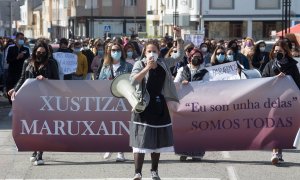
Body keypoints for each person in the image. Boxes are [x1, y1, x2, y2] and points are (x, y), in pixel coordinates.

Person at [129, 26, 183, 180]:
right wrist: (147, 67)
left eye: (154, 51)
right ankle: (137, 172)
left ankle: (154, 171)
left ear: (159, 52)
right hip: (143, 105)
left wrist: (178, 38)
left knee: (157, 141)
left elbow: (179, 56)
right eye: (149, 51)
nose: (152, 53)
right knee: (140, 140)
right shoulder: (139, 64)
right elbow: (133, 80)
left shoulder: (163, 63)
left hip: (159, 105)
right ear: (144, 53)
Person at [8, 41, 59, 165]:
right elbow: (22, 78)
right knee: (32, 126)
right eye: (38, 52)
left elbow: (57, 81)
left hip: (46, 100)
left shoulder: (51, 63)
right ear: (35, 51)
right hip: (30, 99)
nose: (40, 54)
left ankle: (40, 154)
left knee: (42, 127)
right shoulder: (27, 62)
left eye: (43, 52)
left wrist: (46, 79)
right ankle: (35, 150)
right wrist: (15, 89)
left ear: (47, 53)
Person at [262, 40, 300, 165]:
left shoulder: (292, 66)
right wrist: (274, 79)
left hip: (287, 102)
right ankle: (276, 152)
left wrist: (287, 79)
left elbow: (297, 84)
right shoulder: (269, 65)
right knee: (275, 125)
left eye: (280, 51)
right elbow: (262, 81)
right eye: (276, 51)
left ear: (285, 52)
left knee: (282, 127)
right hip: (272, 100)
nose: (277, 53)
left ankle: (278, 151)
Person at [98, 42, 133, 162]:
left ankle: (120, 152)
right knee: (109, 125)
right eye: (113, 50)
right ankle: (110, 147)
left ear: (121, 52)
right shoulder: (106, 66)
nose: (115, 52)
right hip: (109, 100)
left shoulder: (128, 66)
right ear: (109, 52)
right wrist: (106, 82)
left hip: (123, 99)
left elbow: (133, 81)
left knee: (122, 126)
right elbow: (99, 81)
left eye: (118, 50)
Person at [5, 32, 30, 116]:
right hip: (12, 73)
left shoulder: (26, 49)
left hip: (22, 74)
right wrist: (17, 57)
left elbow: (30, 61)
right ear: (16, 39)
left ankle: (19, 108)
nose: (21, 40)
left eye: (23, 39)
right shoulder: (10, 48)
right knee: (10, 90)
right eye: (20, 38)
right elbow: (8, 60)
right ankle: (13, 106)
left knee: (21, 91)